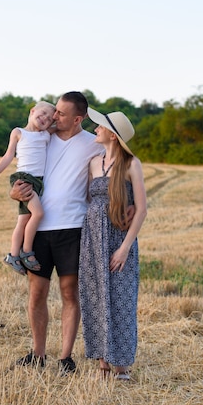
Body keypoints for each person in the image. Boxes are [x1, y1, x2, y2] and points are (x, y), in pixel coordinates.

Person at [9, 92, 104, 375]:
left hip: (73, 229)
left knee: (69, 293)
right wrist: (14, 193)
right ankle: (37, 354)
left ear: (78, 118)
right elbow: (21, 171)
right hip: (37, 230)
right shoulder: (40, 137)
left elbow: (111, 171)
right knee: (37, 294)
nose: (54, 117)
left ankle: (65, 358)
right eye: (55, 111)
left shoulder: (92, 145)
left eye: (61, 114)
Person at [78, 107, 147, 381]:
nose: (95, 129)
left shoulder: (132, 165)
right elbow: (89, 200)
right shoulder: (93, 163)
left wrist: (124, 248)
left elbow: (141, 210)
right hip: (92, 239)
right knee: (95, 299)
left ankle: (122, 367)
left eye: (100, 127)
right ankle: (103, 364)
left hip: (120, 239)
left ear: (113, 136)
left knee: (121, 300)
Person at [0, 101, 57, 275]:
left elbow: (63, 124)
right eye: (41, 114)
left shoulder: (46, 134)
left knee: (23, 220)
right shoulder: (19, 132)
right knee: (39, 214)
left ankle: (12, 254)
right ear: (32, 111)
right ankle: (26, 251)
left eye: (49, 119)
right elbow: (9, 154)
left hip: (39, 181)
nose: (44, 119)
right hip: (24, 179)